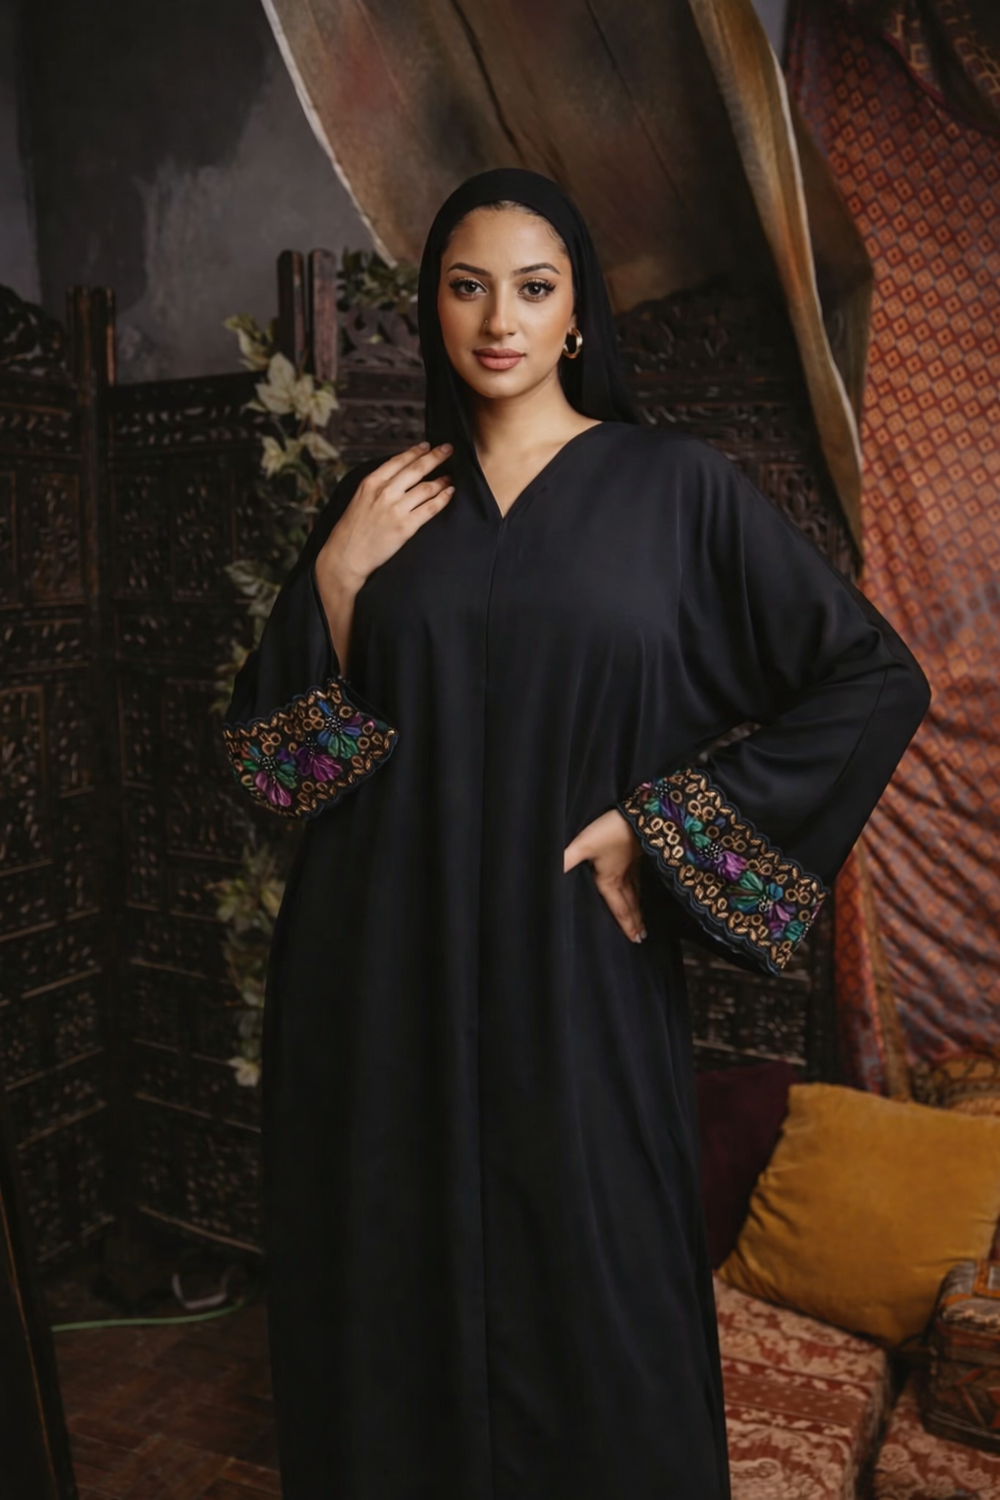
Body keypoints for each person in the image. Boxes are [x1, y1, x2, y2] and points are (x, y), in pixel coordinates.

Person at [221, 167, 930, 1500]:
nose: (500, 320)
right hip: (383, 981)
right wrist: (337, 578)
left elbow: (873, 680)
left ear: (578, 316)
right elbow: (282, 773)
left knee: (605, 1322)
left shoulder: (675, 492)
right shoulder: (383, 502)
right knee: (392, 1314)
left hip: (578, 982)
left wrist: (657, 833)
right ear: (433, 309)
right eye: (467, 287)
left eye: (533, 289)